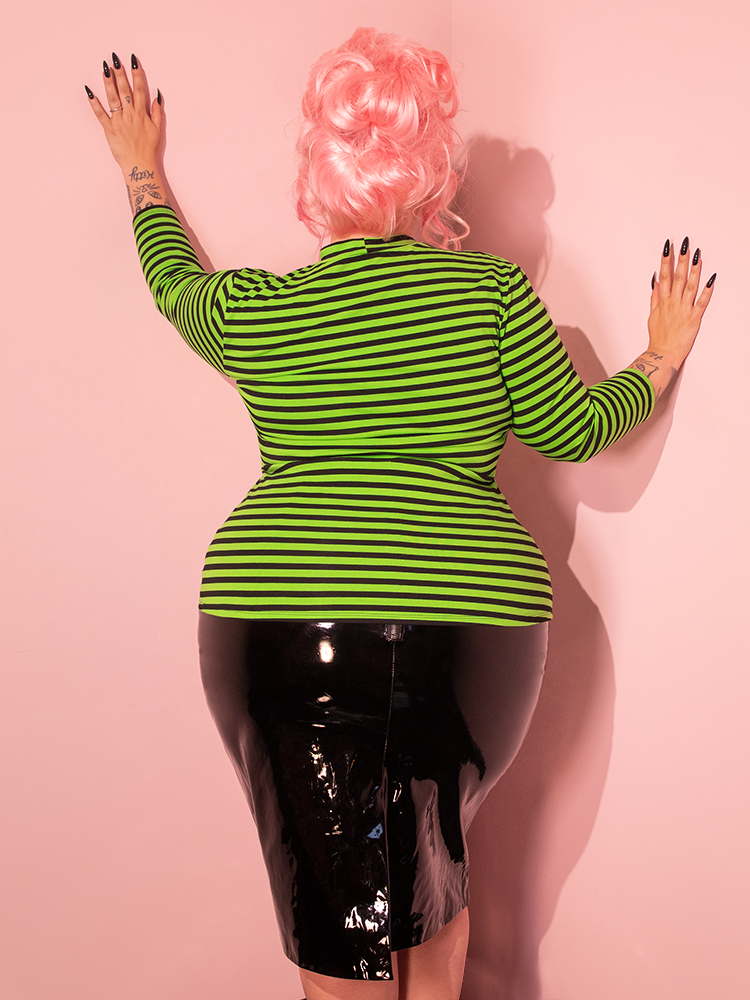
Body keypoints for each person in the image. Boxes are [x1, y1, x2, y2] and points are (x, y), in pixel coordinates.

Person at [86, 28, 714, 1000]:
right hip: (463, 634)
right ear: (433, 179)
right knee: (431, 874)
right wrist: (660, 355)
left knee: (336, 905)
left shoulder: (263, 309)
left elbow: (176, 286)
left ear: (319, 174)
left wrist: (141, 171)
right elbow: (579, 429)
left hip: (287, 626)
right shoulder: (492, 297)